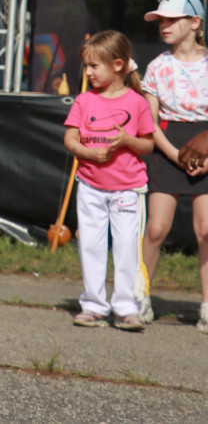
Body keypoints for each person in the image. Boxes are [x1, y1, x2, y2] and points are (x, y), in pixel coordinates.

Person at [63, 31, 155, 331]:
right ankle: (93, 305)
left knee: (127, 246)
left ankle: (126, 307)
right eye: (86, 66)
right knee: (90, 244)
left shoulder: (137, 102)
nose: (88, 73)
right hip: (90, 187)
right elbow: (70, 139)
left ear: (118, 65)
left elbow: (148, 145)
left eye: (94, 66)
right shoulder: (84, 100)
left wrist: (128, 139)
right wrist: (87, 152)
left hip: (127, 189)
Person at [141, 0, 208, 333]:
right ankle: (140, 296)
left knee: (206, 230)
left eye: (172, 19)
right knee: (155, 228)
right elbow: (150, 122)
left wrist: (205, 158)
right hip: (168, 146)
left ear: (195, 22)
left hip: (206, 146)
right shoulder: (156, 67)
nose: (163, 25)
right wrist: (172, 154)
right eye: (159, 20)